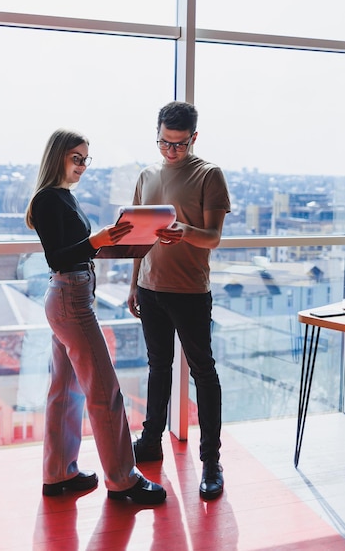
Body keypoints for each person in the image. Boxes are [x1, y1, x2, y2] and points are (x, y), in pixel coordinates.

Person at [25, 128, 166, 505]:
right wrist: (97, 240)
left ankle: (58, 474)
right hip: (71, 298)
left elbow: (78, 251)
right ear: (58, 156)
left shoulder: (63, 198)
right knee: (104, 391)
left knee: (65, 391)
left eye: (86, 159)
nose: (83, 166)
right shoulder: (48, 199)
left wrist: (129, 238)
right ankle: (122, 481)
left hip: (70, 294)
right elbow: (59, 256)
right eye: (77, 158)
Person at [127, 101, 231, 501]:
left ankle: (210, 461)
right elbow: (138, 237)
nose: (171, 152)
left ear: (194, 138)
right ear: (157, 135)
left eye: (179, 145)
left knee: (203, 372)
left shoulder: (209, 175)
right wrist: (134, 284)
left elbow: (213, 237)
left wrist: (186, 230)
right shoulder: (147, 174)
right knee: (158, 368)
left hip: (190, 291)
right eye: (164, 143)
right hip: (151, 290)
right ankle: (151, 441)